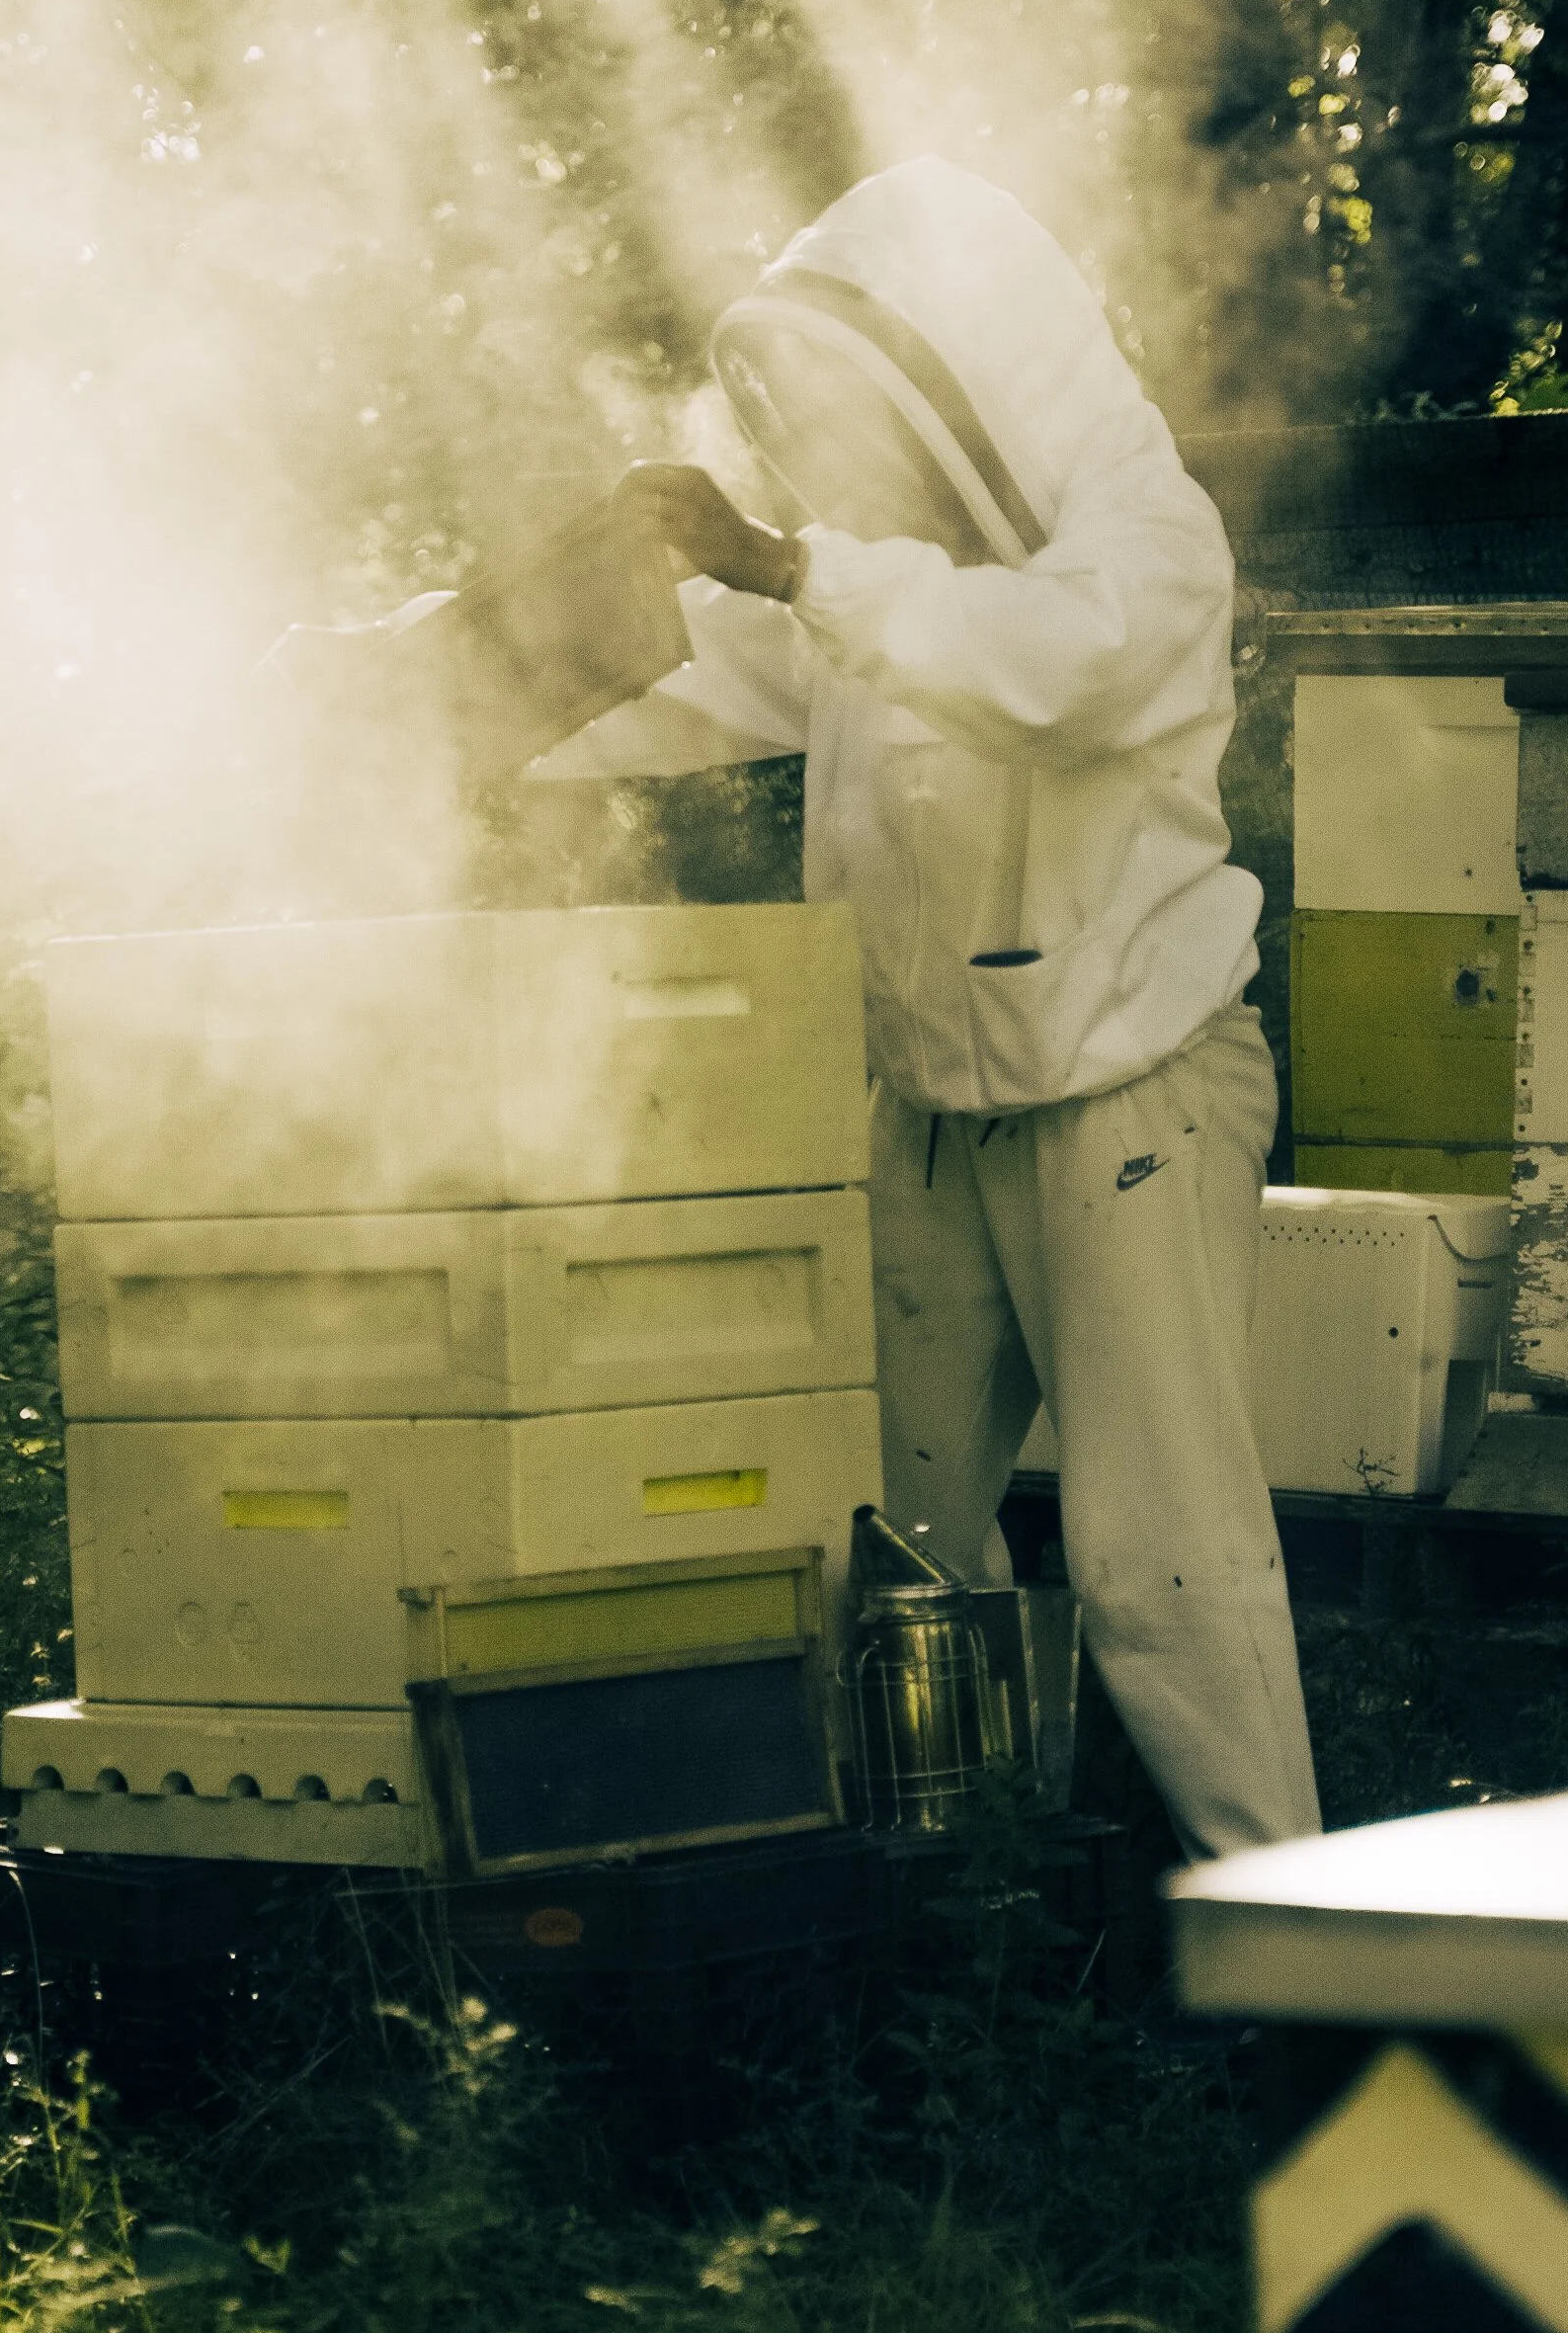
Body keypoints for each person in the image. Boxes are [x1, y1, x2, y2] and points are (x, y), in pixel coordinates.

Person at [539, 151, 1320, 1857]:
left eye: (852, 407)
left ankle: (1300, 1941)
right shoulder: (876, 586)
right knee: (892, 1543)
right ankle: (946, 1904)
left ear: (966, 372)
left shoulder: (1144, 547)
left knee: (1162, 1556)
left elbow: (1052, 668)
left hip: (1133, 1096)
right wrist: (399, 678)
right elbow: (667, 675)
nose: (828, 457)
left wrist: (794, 565)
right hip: (935, 1121)